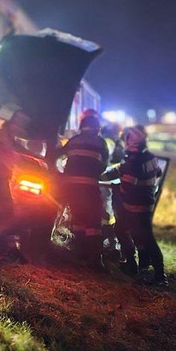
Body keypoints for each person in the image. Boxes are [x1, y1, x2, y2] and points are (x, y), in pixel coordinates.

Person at [102, 126, 166, 285]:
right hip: (145, 202)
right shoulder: (149, 156)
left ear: (134, 141)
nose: (125, 141)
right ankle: (132, 265)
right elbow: (157, 172)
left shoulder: (133, 159)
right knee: (122, 229)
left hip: (134, 205)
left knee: (145, 238)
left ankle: (160, 276)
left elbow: (126, 182)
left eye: (128, 138)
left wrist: (116, 186)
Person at [59, 114, 109, 268]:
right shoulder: (100, 142)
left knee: (78, 218)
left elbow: (60, 155)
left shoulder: (73, 140)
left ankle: (79, 253)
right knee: (93, 221)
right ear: (96, 128)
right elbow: (103, 165)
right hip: (89, 185)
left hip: (71, 186)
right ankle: (94, 258)